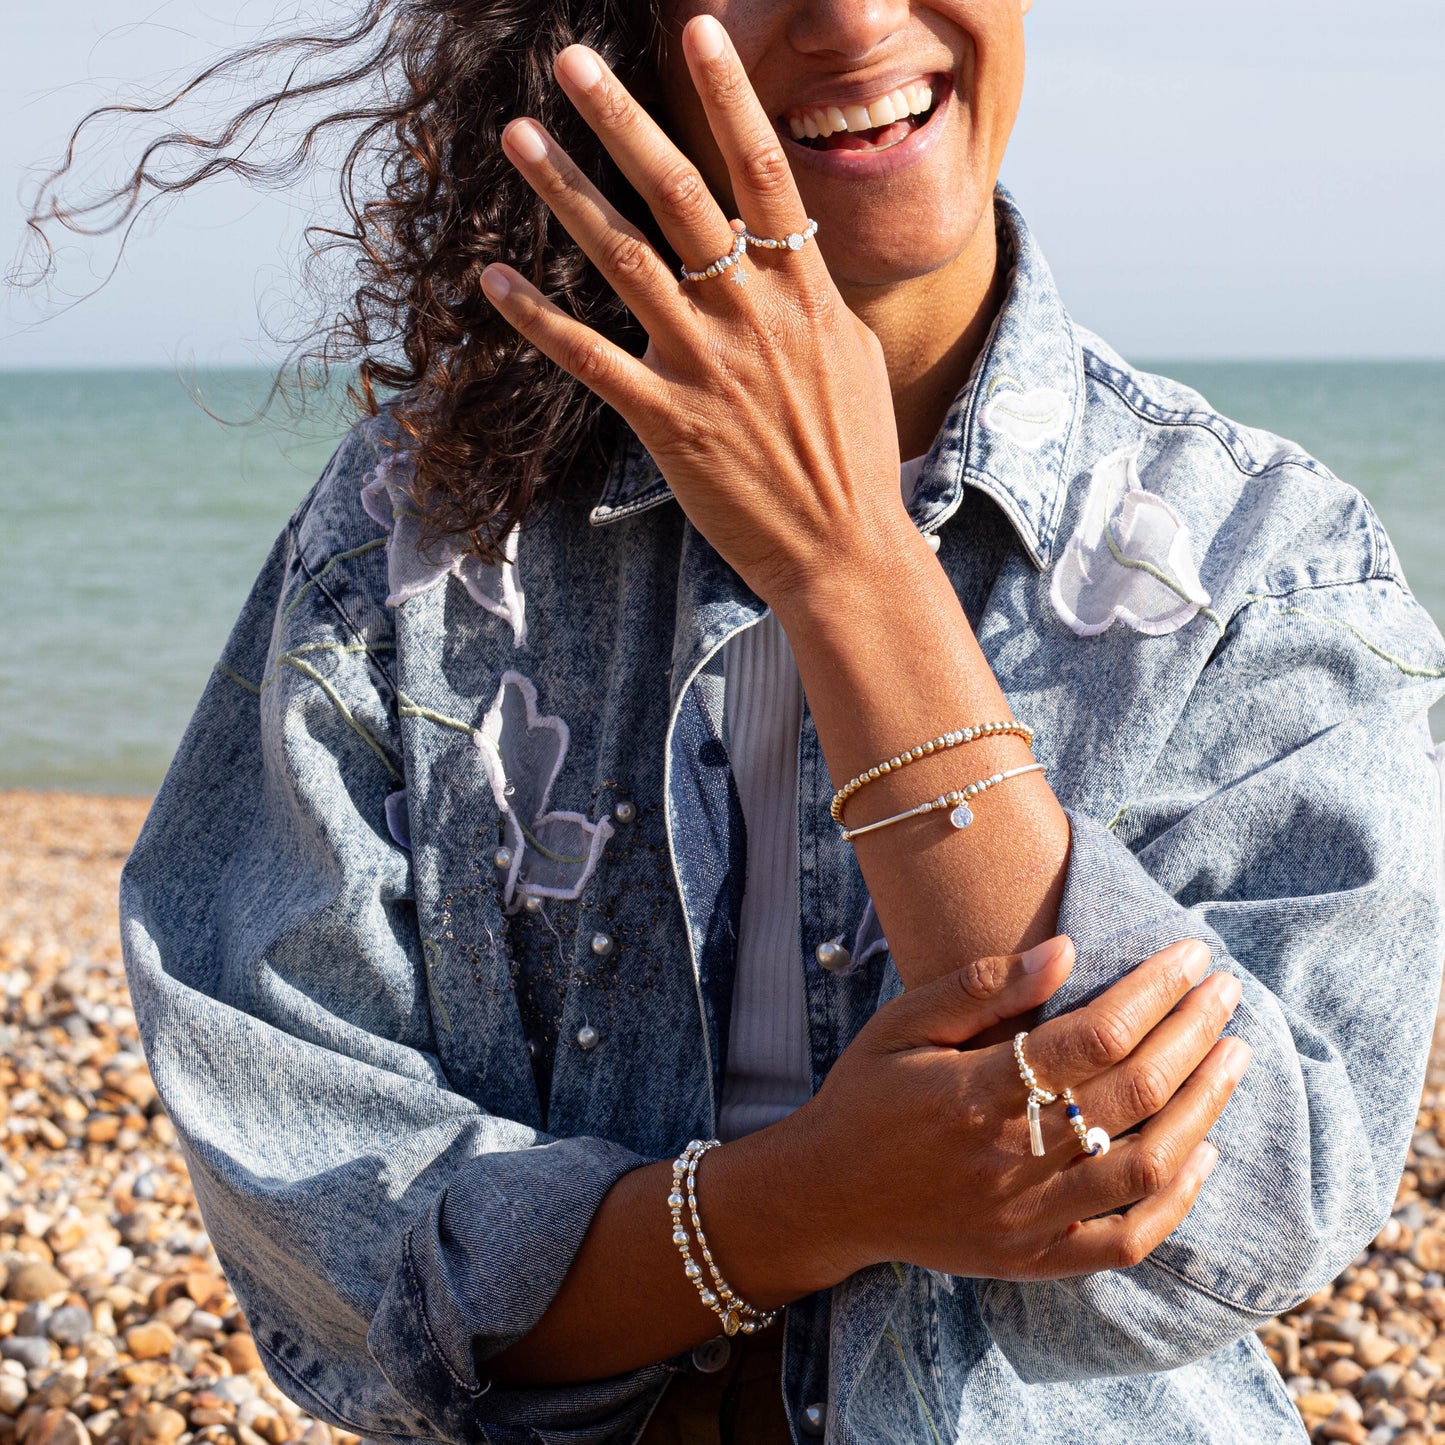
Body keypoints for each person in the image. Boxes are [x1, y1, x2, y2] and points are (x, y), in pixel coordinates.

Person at [79, 0, 1444, 1440]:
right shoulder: (419, 534)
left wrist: (849, 560)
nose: (851, 16)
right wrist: (796, 1207)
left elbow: (1220, 1220)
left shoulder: (1258, 567)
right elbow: (317, 1191)